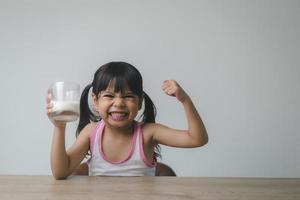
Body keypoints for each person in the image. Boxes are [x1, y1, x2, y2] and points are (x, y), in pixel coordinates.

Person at [46, 61, 208, 179]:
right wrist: (59, 127)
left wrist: (185, 100)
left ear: (140, 102)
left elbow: (197, 139)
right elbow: (60, 172)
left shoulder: (148, 133)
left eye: (128, 96)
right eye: (109, 96)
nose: (119, 103)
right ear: (95, 101)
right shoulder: (91, 132)